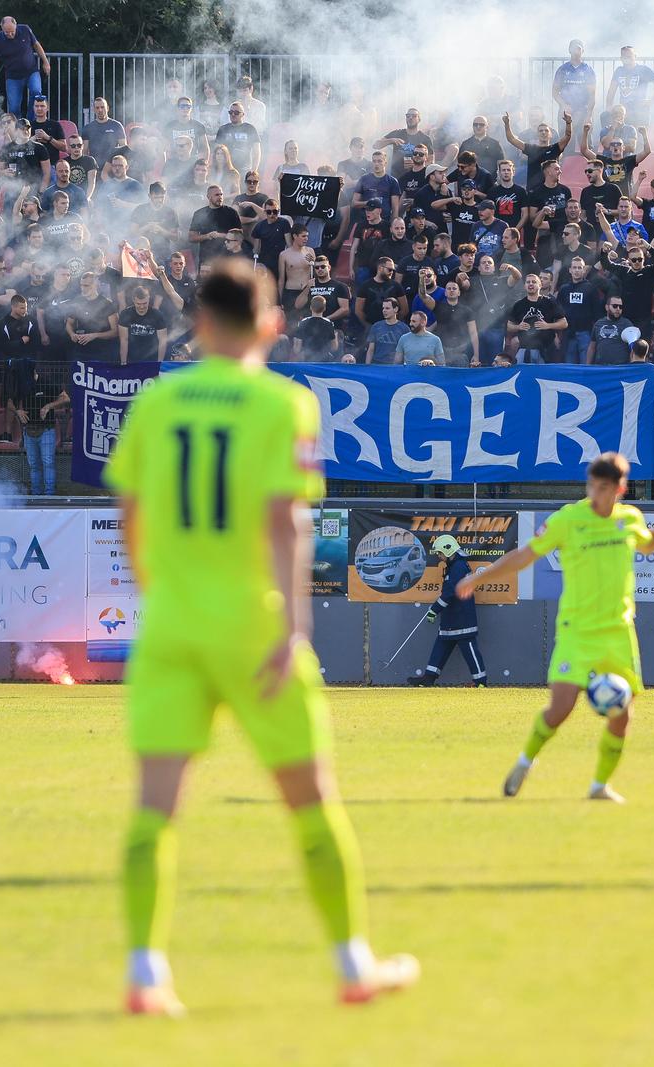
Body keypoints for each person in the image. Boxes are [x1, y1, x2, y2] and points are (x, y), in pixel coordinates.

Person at [103, 257, 418, 1015]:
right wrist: (294, 629)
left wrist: (163, 595)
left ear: (196, 323)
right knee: (311, 799)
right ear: (273, 325)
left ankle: (146, 971)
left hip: (174, 625)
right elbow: (288, 519)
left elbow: (131, 513)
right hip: (254, 625)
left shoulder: (158, 401)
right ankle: (352, 962)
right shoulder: (283, 406)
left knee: (156, 806)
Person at [458, 453, 654, 803]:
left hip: (617, 631)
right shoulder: (569, 519)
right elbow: (525, 556)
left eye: (603, 488)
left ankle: (600, 786)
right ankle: (526, 762)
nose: (596, 495)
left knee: (622, 716)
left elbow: (651, 544)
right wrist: (481, 576)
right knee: (561, 708)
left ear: (620, 489)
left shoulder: (629, 518)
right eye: (592, 487)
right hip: (577, 630)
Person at [411, 536, 487, 687]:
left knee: (470, 649)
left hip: (462, 617)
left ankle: (480, 682)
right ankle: (429, 678)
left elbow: (450, 592)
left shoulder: (458, 567)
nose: (438, 556)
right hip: (451, 618)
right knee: (441, 645)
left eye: (439, 553)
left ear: (448, 549)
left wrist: (434, 610)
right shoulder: (453, 566)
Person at [14, 362, 68, 497]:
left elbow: (65, 398)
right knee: (33, 464)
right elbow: (10, 400)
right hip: (29, 429)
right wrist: (18, 410)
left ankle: (49, 494)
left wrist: (49, 406)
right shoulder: (22, 385)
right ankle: (36, 493)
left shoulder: (46, 383)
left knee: (48, 462)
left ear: (33, 373)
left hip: (46, 429)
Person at [0, 16, 51, 119]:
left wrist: (45, 62)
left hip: (31, 71)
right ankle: (17, 129)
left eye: (12, 31)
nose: (10, 34)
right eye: (6, 32)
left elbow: (36, 45)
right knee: (13, 106)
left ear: (16, 25)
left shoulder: (25, 30)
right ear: (1, 27)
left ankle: (31, 122)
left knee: (36, 93)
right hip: (13, 77)